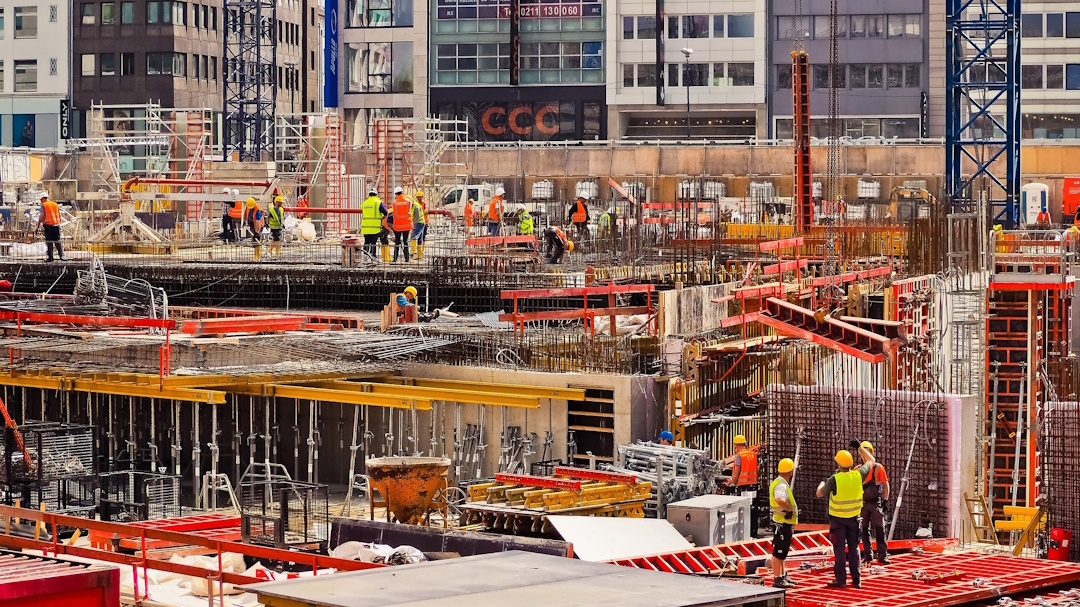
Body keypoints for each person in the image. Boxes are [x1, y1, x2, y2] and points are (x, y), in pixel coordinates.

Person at [816, 445, 875, 589]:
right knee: (854, 548)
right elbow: (872, 460)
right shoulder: (857, 475)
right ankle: (856, 580)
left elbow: (819, 494)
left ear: (838, 464)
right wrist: (860, 447)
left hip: (837, 521)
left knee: (840, 550)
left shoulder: (834, 479)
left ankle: (841, 580)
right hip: (854, 519)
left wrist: (822, 484)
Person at [858, 441, 891, 565]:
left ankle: (882, 555)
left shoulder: (878, 468)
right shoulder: (858, 469)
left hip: (875, 503)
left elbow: (885, 484)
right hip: (863, 504)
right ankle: (868, 556)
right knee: (864, 530)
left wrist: (885, 500)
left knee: (880, 529)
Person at [769, 458, 799, 589]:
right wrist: (788, 508)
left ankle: (782, 576)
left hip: (783, 524)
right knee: (778, 552)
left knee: (782, 552)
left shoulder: (780, 483)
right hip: (782, 524)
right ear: (790, 471)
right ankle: (777, 579)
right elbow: (779, 499)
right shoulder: (781, 485)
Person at [361, 187, 388, 262]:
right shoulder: (378, 202)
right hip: (375, 227)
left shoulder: (364, 203)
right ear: (376, 194)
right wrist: (383, 217)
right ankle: (373, 257)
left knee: (366, 242)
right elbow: (385, 212)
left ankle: (365, 257)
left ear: (369, 194)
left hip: (365, 227)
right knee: (373, 242)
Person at [35, 193, 63, 262]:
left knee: (49, 242)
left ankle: (50, 257)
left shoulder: (44, 205)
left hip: (48, 226)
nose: (41, 201)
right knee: (57, 241)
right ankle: (61, 256)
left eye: (41, 200)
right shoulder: (55, 204)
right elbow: (59, 214)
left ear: (43, 199)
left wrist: (38, 226)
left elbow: (41, 216)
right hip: (56, 225)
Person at [391, 186, 413, 262]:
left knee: (397, 241)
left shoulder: (394, 203)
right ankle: (407, 258)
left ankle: (395, 258)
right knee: (405, 241)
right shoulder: (408, 201)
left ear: (396, 194)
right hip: (407, 224)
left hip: (398, 225)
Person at [410, 191, 428, 260]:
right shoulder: (416, 205)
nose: (419, 198)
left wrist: (413, 226)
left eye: (420, 197)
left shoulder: (420, 205)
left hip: (421, 222)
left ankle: (414, 253)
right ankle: (419, 255)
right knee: (420, 238)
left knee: (415, 237)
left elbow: (417, 217)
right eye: (418, 197)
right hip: (421, 222)